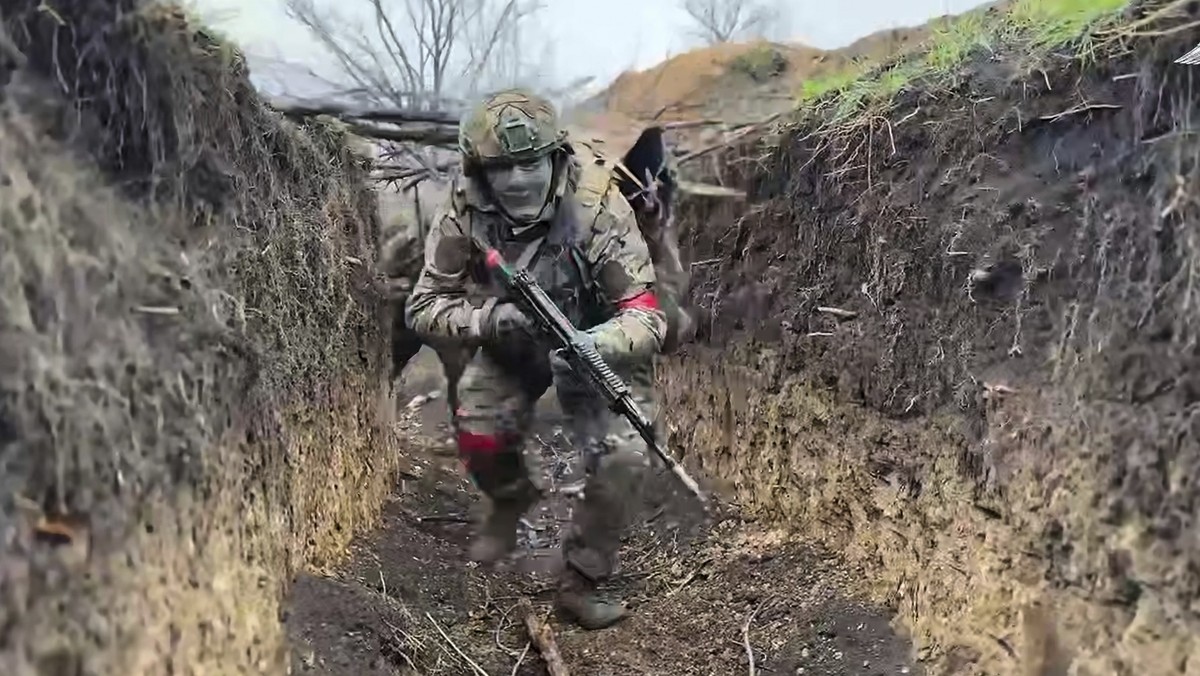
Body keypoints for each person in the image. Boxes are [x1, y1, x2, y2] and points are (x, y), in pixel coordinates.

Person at [405, 89, 667, 629]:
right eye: (503, 168)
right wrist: (486, 322)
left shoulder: (596, 204)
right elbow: (425, 305)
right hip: (512, 335)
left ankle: (582, 578)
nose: (519, 180)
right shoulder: (464, 209)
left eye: (531, 163)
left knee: (623, 455)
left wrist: (596, 344)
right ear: (481, 172)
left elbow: (645, 316)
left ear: (556, 158)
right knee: (478, 432)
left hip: (597, 342)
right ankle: (511, 498)